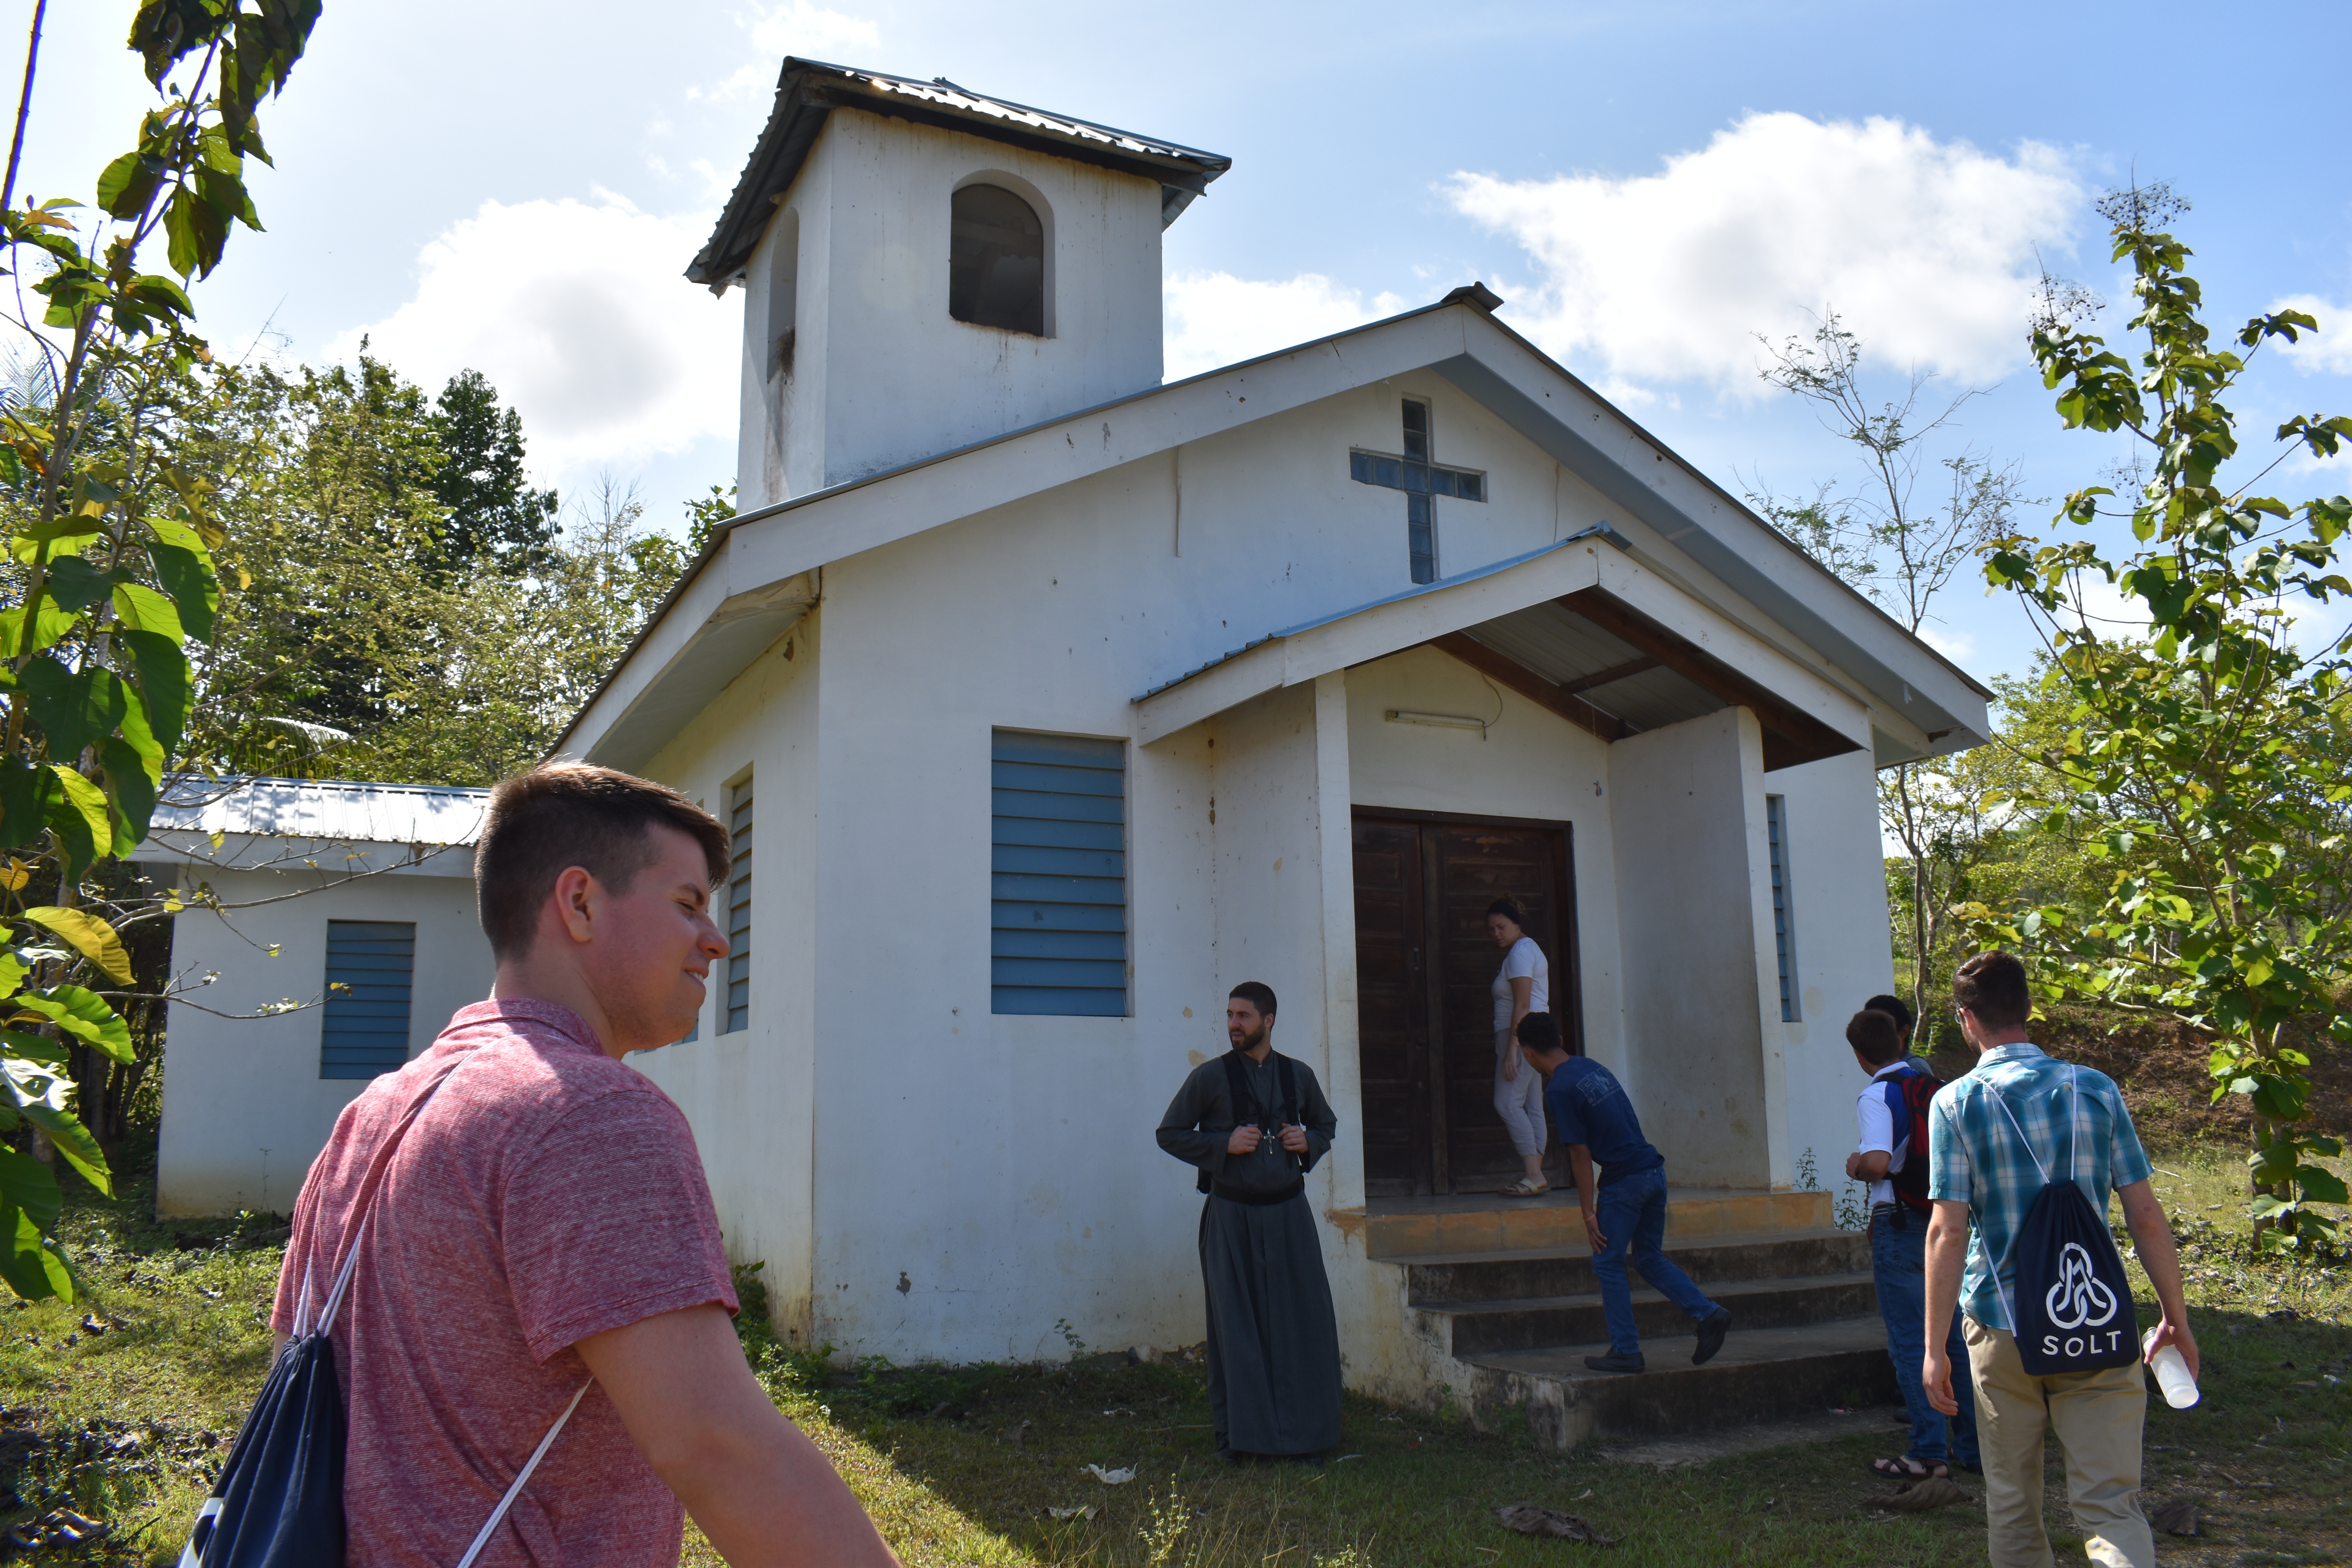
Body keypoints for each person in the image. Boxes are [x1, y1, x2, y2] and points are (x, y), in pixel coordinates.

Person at [270, 762, 898, 1568]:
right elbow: (717, 1447)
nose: (717, 938)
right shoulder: (587, 1110)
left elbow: (296, 1376)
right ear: (579, 902)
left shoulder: (377, 1110)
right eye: (687, 904)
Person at [1923, 951, 2198, 1568]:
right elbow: (2146, 1214)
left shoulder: (1955, 1103)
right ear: (2028, 1009)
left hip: (2002, 1325)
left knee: (2014, 1504)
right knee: (2110, 1506)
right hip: (2093, 1324)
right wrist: (2174, 1317)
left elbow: (1948, 1230)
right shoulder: (2095, 1089)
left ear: (1968, 1020)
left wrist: (1934, 1347)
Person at [1155, 982, 1343, 1462]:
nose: (1234, 1023)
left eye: (1244, 1015)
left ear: (1269, 1020)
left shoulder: (1298, 1075)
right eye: (1230, 1014)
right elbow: (1170, 1133)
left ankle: (1308, 1436)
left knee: (1304, 1319)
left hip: (1289, 1215)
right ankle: (1240, 1439)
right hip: (1231, 1217)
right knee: (1236, 1328)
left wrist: (1309, 1141)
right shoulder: (1210, 1078)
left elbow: (1326, 1124)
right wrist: (1222, 1146)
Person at [1515, 1012, 1730, 1374]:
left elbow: (1580, 1154)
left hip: (1624, 1182)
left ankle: (1627, 1351)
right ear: (1559, 1038)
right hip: (1652, 1170)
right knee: (1647, 1258)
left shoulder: (1560, 1090)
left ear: (1528, 1052)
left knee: (1608, 1262)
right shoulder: (1590, 1067)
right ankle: (1708, 1314)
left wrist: (1588, 1213)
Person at [1844, 1007, 1979, 1481]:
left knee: (1910, 1340)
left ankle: (1927, 1451)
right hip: (1943, 1220)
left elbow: (1880, 1162)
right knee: (1953, 1339)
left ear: (1860, 1055)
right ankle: (1973, 1446)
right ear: (1901, 1043)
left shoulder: (1878, 1093)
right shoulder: (1937, 1089)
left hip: (1898, 1224)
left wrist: (1856, 1163)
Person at [1486, 899, 1551, 1197]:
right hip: (1533, 1037)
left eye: (1502, 927)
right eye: (1492, 929)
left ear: (1517, 924)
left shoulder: (1521, 952)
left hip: (1522, 1037)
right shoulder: (1527, 950)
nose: (1496, 933)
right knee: (1533, 1105)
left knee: (1507, 1103)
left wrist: (1513, 1047)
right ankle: (1534, 1174)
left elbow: (1522, 1003)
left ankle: (1534, 1175)